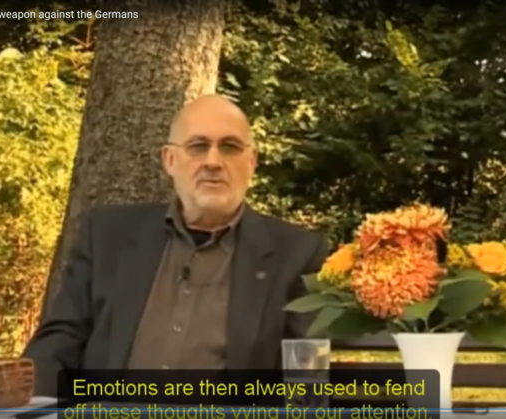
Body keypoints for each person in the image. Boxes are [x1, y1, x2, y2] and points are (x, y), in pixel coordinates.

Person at [23, 94, 329, 396]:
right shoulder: (107, 236)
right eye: (198, 146)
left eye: (230, 147)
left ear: (251, 162)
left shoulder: (297, 254)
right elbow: (58, 341)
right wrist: (34, 405)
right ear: (169, 160)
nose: (213, 162)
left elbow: (306, 379)